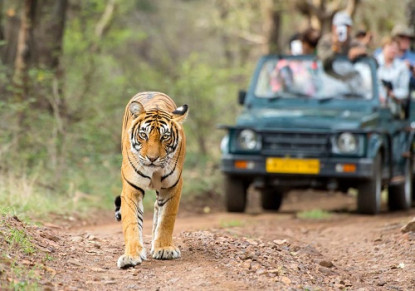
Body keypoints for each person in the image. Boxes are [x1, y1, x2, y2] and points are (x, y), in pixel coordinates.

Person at [317, 11, 367, 79]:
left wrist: (360, 52)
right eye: (339, 26)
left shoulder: (354, 43)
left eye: (346, 26)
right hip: (329, 80)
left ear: (350, 28)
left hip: (349, 82)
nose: (342, 29)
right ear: (333, 27)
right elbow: (322, 61)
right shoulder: (325, 41)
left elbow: (372, 62)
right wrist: (334, 48)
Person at [376, 37, 410, 117]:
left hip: (392, 109)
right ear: (383, 48)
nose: (393, 50)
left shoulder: (401, 67)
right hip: (374, 107)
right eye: (390, 47)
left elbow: (404, 91)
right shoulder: (374, 62)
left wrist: (392, 94)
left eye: (395, 48)